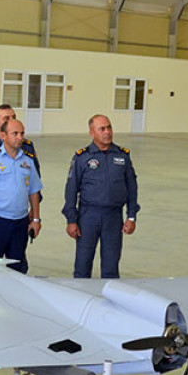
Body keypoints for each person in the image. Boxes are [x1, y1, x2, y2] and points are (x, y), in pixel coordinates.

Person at [62, 114, 139, 279]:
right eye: (102, 129)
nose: (107, 132)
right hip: (88, 217)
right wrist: (71, 220)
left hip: (113, 217)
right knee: (82, 267)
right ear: (92, 132)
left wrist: (131, 217)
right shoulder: (82, 157)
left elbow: (132, 188)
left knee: (111, 268)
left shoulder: (122, 156)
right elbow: (71, 190)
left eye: (109, 127)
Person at [0, 118, 42, 274]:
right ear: (3, 135)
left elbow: (34, 191)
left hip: (20, 222)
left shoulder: (28, 161)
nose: (19, 137)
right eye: (15, 133)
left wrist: (36, 219)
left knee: (17, 266)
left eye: (22, 133)